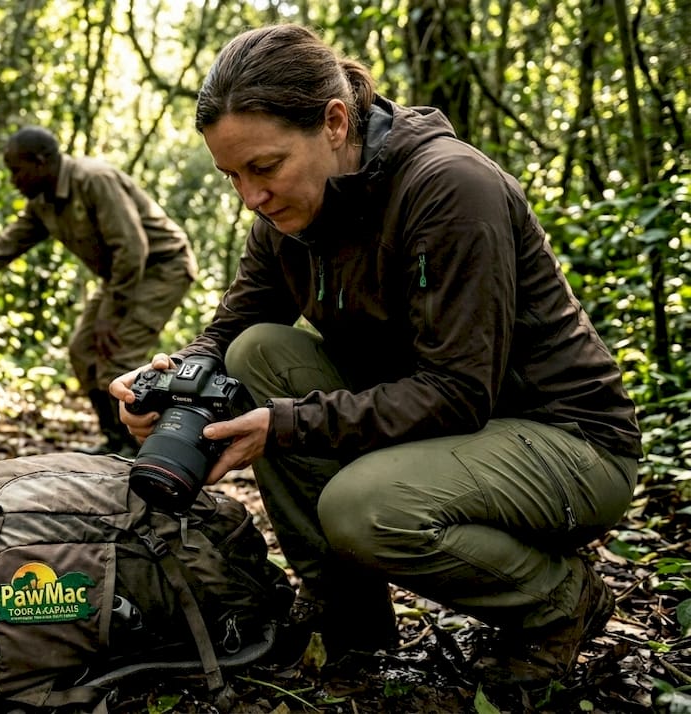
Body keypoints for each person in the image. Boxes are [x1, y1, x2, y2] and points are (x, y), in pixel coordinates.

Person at [109, 23, 641, 687]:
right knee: (255, 351)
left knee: (362, 508)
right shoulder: (289, 212)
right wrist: (175, 380)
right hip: (447, 434)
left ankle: (559, 601)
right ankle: (350, 619)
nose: (252, 195)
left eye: (266, 167)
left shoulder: (451, 188)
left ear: (335, 121)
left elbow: (457, 390)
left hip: (568, 442)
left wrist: (285, 425)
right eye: (233, 176)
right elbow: (234, 327)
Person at [0, 127, 197, 457]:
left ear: (41, 161)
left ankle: (150, 448)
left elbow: (132, 247)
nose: (12, 180)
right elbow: (7, 244)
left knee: (116, 355)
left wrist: (112, 312)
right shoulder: (43, 203)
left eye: (16, 170)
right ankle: (116, 440)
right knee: (82, 351)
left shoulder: (94, 180)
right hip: (122, 275)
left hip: (162, 267)